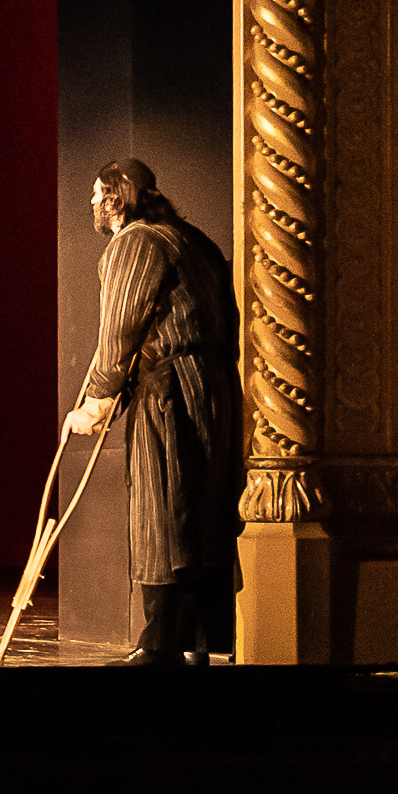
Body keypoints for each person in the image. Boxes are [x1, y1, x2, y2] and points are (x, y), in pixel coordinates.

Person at [65, 158, 242, 665]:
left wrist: (98, 398)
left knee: (164, 510)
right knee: (202, 510)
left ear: (118, 199)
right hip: (214, 384)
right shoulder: (193, 239)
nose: (92, 203)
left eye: (98, 193)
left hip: (171, 391)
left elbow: (120, 327)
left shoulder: (135, 242)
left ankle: (162, 642)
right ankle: (204, 640)